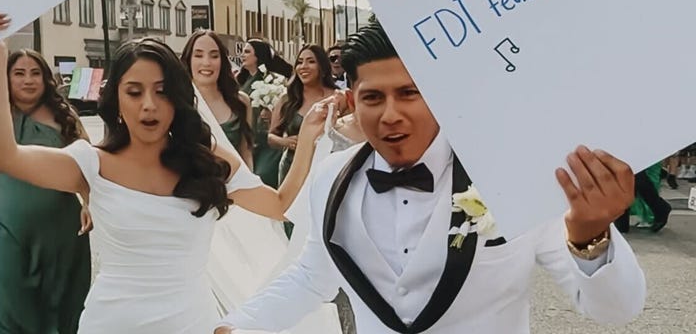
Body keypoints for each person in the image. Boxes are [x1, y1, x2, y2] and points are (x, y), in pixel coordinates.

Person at [216, 20, 646, 334]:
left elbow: (617, 310)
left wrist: (591, 236)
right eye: (373, 97)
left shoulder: (508, 173)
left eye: (409, 93)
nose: (390, 114)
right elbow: (312, 276)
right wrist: (238, 325)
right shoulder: (332, 179)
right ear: (352, 100)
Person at [0, 5, 327, 333]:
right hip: (111, 323)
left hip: (190, 323)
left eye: (161, 91)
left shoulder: (207, 160)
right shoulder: (92, 164)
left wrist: (309, 136)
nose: (149, 106)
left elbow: (279, 204)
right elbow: (3, 155)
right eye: (135, 92)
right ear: (117, 100)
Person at [0, 49, 92, 333]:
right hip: (2, 230)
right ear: (6, 79)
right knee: (3, 309)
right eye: (19, 73)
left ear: (46, 78)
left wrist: (88, 203)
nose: (28, 80)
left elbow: (87, 167)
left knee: (60, 311)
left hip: (60, 235)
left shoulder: (64, 116)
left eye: (35, 73)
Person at [182, 30, 254, 168]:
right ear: (189, 60)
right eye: (198, 55)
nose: (206, 62)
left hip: (235, 185)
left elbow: (246, 154)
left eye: (214, 56)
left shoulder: (241, 102)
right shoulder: (178, 103)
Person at [269, 45, 338, 186]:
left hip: (325, 168)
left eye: (311, 61)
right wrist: (285, 141)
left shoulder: (337, 98)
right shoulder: (287, 99)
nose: (303, 66)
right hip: (291, 168)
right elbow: (271, 137)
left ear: (323, 67)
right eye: (300, 62)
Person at [237, 39, 290, 187]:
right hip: (248, 135)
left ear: (258, 56)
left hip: (267, 139)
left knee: (263, 177)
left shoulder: (274, 80)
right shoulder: (242, 80)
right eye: (243, 51)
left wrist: (272, 113)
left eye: (247, 52)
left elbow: (285, 105)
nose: (242, 55)